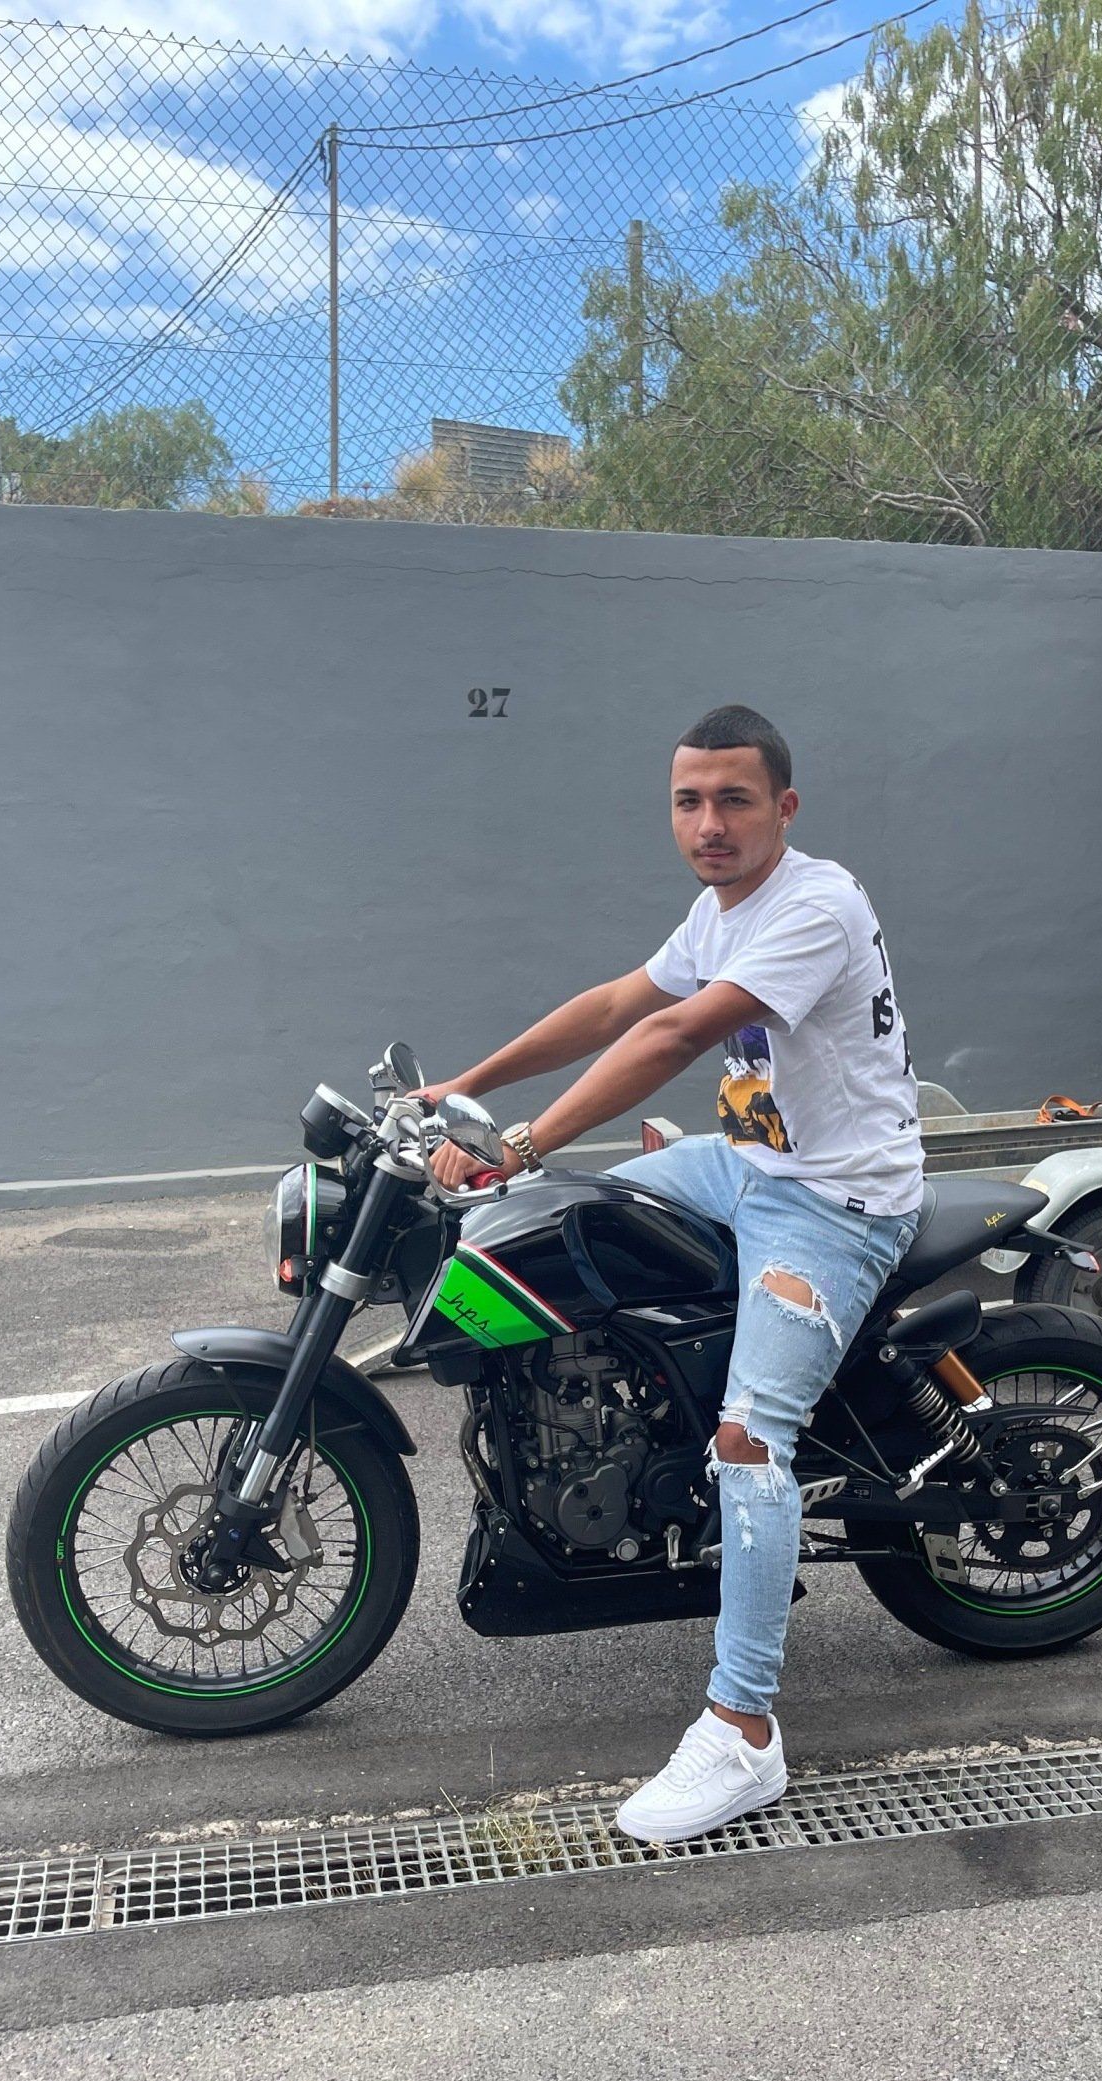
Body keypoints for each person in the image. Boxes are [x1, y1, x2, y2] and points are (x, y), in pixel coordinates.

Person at [423, 704, 924, 1843]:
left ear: (783, 808)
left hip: (836, 1206)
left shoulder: (813, 906)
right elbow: (615, 1006)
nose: (709, 822)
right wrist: (470, 1084)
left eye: (735, 799)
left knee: (752, 1442)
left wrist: (520, 1136)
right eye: (689, 801)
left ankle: (743, 1732)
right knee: (558, 1224)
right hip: (747, 1169)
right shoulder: (720, 908)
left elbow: (669, 1041)